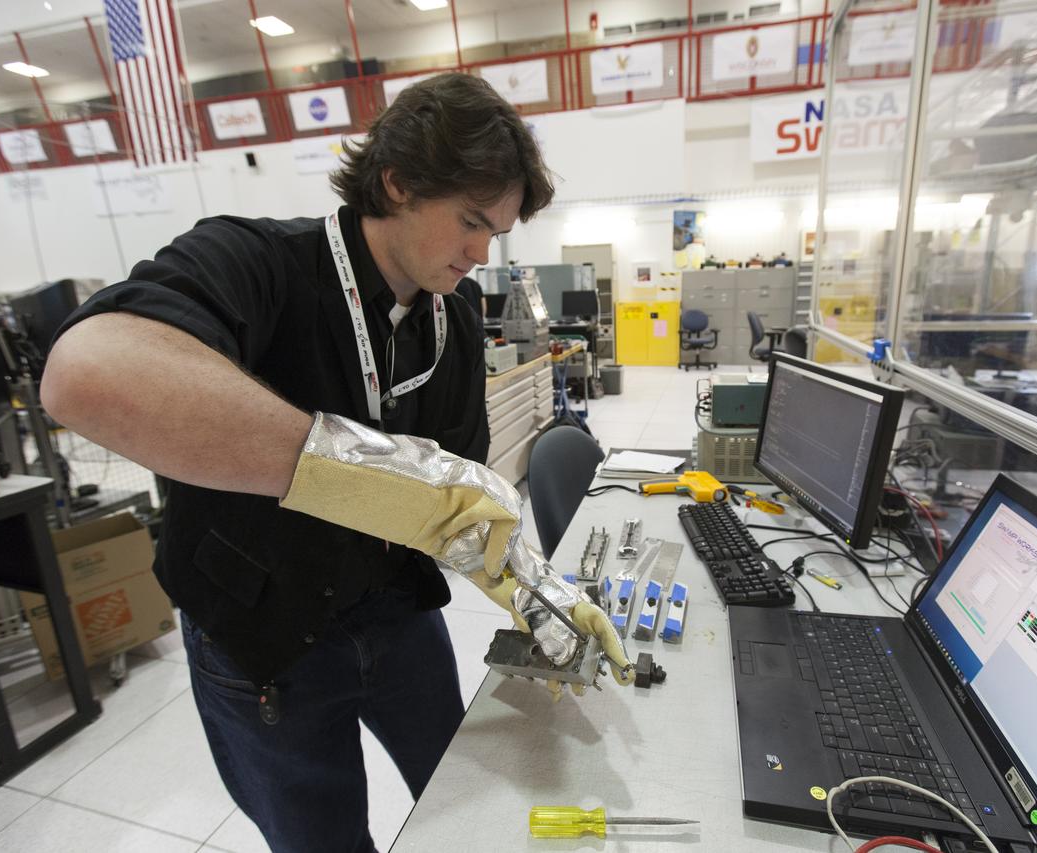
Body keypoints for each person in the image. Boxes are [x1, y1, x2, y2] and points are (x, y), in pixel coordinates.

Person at [40, 73, 631, 853]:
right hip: (269, 637)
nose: (480, 253)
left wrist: (534, 585)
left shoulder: (453, 319)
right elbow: (85, 372)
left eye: (496, 233)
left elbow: (457, 502)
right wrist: (363, 474)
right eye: (470, 222)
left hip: (397, 616)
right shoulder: (259, 262)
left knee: (462, 802)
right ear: (397, 181)